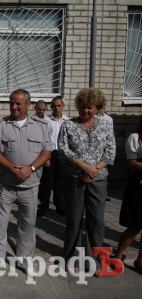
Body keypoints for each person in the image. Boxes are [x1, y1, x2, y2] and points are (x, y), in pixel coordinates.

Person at [0, 89, 51, 274]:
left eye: (18, 103)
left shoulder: (41, 126)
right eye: (11, 103)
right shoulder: (0, 126)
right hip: (5, 185)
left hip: (30, 186)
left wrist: (29, 169)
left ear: (28, 105)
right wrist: (12, 168)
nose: (14, 106)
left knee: (27, 224)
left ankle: (24, 259)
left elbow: (47, 152)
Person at [58, 88, 116, 274]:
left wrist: (95, 169)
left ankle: (98, 261)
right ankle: (71, 258)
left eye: (90, 107)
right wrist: (84, 167)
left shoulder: (105, 125)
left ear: (98, 108)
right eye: (82, 107)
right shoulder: (68, 125)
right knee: (74, 219)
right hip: (74, 177)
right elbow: (64, 150)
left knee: (96, 220)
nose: (85, 111)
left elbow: (110, 151)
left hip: (98, 179)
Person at [114, 117, 142, 275]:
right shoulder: (135, 138)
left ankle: (140, 260)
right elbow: (131, 162)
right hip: (138, 184)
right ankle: (118, 256)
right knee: (134, 226)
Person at [37, 96, 69, 217]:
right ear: (51, 107)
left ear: (63, 107)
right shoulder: (46, 120)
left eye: (59, 105)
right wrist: (46, 157)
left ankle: (60, 205)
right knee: (47, 181)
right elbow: (44, 138)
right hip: (49, 153)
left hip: (61, 153)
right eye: (54, 106)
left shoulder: (67, 121)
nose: (56, 108)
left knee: (60, 181)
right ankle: (43, 205)